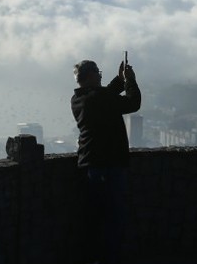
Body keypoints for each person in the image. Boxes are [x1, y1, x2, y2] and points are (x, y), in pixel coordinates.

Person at [71, 58, 141, 264]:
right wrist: (130, 81)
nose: (100, 75)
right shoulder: (98, 99)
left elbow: (105, 95)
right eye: (98, 72)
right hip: (108, 165)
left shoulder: (78, 99)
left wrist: (119, 79)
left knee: (95, 216)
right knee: (113, 217)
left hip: (91, 164)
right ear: (92, 75)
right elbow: (132, 103)